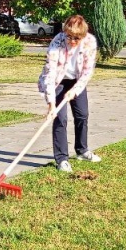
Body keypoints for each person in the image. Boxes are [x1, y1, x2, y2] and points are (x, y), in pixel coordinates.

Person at [39, 15, 101, 169]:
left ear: (83, 35)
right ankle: (61, 159)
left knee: (82, 114)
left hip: (77, 80)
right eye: (69, 36)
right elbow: (50, 74)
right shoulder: (57, 42)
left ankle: (82, 150)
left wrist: (75, 90)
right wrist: (51, 105)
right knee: (60, 118)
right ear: (64, 32)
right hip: (57, 81)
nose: (72, 41)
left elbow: (87, 72)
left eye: (76, 38)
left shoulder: (90, 42)